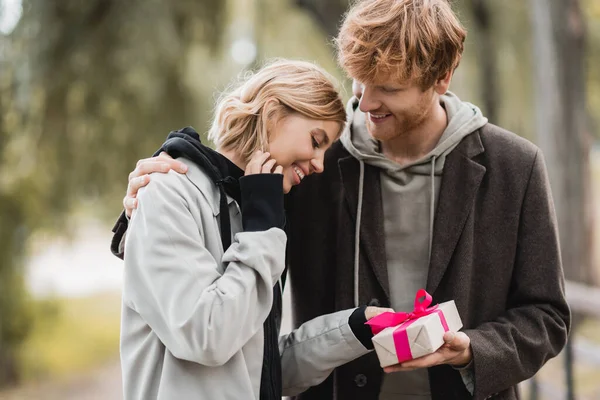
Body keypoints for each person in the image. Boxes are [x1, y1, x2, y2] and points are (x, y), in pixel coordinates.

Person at [116, 1, 570, 399]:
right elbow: (227, 192)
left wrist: (473, 350)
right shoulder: (312, 165)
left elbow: (546, 315)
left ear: (441, 78)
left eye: (388, 88)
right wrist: (154, 188)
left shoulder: (516, 166)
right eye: (359, 81)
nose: (367, 101)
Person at [116, 59, 389, 400]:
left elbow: (259, 366)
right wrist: (263, 228)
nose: (320, 165)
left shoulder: (254, 209)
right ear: (274, 113)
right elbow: (207, 337)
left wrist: (354, 329)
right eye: (316, 141)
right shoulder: (169, 193)